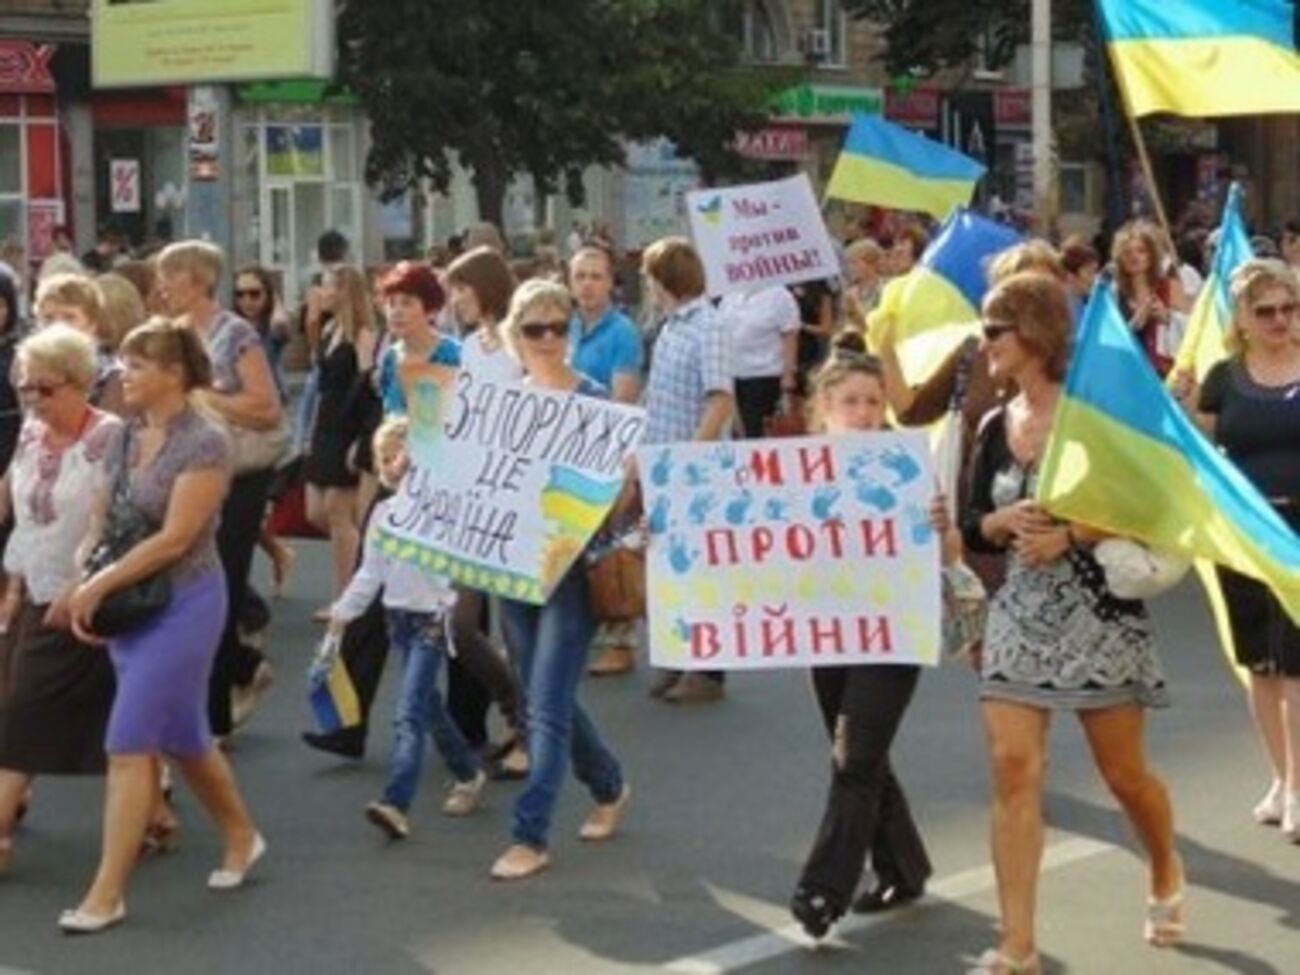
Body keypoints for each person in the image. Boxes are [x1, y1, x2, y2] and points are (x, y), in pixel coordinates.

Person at [960, 272, 1183, 973]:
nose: (985, 341)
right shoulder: (997, 424)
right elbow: (973, 526)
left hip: (1099, 612)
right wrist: (997, 520)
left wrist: (1074, 533)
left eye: (995, 328)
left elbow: (1152, 505)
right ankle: (1017, 944)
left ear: (1034, 332)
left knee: (1124, 775)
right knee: (1012, 766)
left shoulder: (1096, 419)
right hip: (1020, 611)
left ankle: (1165, 865)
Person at [63, 318, 264, 934]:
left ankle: (107, 893)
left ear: (175, 374)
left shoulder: (205, 442)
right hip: (130, 602)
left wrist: (100, 584)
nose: (124, 373)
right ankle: (242, 835)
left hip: (184, 603)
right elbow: (105, 513)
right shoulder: (125, 436)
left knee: (128, 744)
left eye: (138, 364)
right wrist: (85, 565)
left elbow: (178, 538)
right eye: (123, 362)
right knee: (183, 737)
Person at [787, 351, 934, 939]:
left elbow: (945, 553)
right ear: (824, 407)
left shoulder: (908, 468)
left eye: (874, 401)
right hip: (826, 630)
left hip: (892, 630)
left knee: (855, 756)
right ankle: (904, 865)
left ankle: (823, 890)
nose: (866, 412)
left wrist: (939, 524)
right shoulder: (795, 470)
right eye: (851, 401)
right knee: (861, 754)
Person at [489, 279, 629, 880]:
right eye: (533, 329)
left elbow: (624, 488)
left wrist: (590, 510)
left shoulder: (594, 400)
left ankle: (531, 834)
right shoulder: (501, 403)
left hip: (571, 572)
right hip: (512, 569)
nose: (546, 339)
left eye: (556, 326)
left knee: (544, 705)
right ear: (514, 338)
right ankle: (609, 783)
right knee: (550, 697)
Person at [301, 261, 457, 760]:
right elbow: (383, 420)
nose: (397, 311)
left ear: (430, 308)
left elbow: (456, 425)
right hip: (396, 486)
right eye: (391, 302)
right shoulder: (390, 359)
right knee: (370, 606)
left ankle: (471, 725)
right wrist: (374, 483)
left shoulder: (453, 355)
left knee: (454, 616)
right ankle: (348, 724)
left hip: (443, 493)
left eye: (408, 303)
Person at [1174, 259, 1300, 841]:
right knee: (1262, 666)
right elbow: (1197, 449)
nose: (1280, 320)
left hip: (1298, 533)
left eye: (1289, 308)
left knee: (1297, 666)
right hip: (1245, 533)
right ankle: (1280, 776)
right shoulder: (1225, 377)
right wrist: (1174, 408)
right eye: (1267, 311)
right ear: (1243, 320)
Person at [329, 417, 486, 840]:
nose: (395, 465)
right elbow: (370, 572)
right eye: (386, 459)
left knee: (408, 714)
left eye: (405, 457)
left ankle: (396, 801)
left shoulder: (444, 511)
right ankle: (468, 772)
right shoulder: (382, 513)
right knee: (428, 708)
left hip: (433, 619)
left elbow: (463, 559)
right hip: (397, 618)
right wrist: (344, 611)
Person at [0, 326, 120, 875]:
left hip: (85, 596)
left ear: (80, 384)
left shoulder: (108, 439)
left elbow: (112, 525)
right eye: (26, 389)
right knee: (100, 713)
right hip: (34, 587)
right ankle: (158, 811)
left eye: (44, 389)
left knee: (25, 711)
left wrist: (78, 586)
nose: (33, 401)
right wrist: (15, 583)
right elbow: (21, 509)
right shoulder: (30, 432)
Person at [157, 241, 284, 737]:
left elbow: (267, 407)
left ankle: (212, 717)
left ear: (197, 280)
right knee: (190, 590)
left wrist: (204, 398)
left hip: (240, 474)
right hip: (186, 473)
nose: (163, 287)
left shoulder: (236, 334)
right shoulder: (171, 334)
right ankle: (241, 672)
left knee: (222, 587)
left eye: (171, 277)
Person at [442, 246, 529, 766]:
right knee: (461, 624)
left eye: (462, 289)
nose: (456, 300)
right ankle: (515, 707)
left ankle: (525, 732)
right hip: (472, 498)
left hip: (514, 498)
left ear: (487, 288)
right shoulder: (470, 347)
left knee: (517, 629)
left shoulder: (520, 345)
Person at [640, 237, 735, 705]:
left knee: (700, 571)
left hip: (693, 469)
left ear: (667, 279)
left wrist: (692, 461)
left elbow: (719, 399)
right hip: (663, 463)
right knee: (670, 567)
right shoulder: (671, 326)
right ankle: (679, 653)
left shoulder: (708, 325)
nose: (646, 286)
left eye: (650, 277)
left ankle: (708, 670)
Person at [567, 244, 644, 678]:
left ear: (611, 282)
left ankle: (620, 641)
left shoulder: (622, 332)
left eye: (596, 276)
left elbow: (623, 397)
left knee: (610, 548)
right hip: (567, 446)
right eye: (580, 276)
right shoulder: (569, 327)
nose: (588, 285)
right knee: (576, 547)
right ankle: (579, 634)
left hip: (605, 445)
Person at [304, 266, 378, 606]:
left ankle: (347, 596)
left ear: (344, 291)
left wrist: (361, 440)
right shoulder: (329, 328)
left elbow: (367, 385)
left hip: (348, 425)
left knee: (337, 509)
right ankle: (364, 570)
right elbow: (316, 381)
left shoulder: (362, 334)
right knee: (315, 511)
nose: (322, 291)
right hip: (325, 423)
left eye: (328, 286)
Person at [34, 274, 126, 415]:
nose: (58, 327)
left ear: (92, 323)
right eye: (48, 318)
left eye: (69, 317)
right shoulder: (32, 372)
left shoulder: (112, 375)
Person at [718, 284, 800, 439]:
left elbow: (790, 334)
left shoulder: (779, 295)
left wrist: (788, 377)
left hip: (765, 376)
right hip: (733, 376)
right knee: (735, 432)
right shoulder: (729, 295)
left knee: (756, 432)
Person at [1111, 220, 1189, 379]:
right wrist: (1134, 323)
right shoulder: (1113, 292)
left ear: (1151, 255)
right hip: (1126, 374)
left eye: (1141, 250)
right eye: (1127, 252)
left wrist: (1167, 317)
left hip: (1163, 376)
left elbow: (1191, 330)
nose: (1134, 257)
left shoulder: (1170, 287)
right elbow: (1109, 339)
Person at [842, 238, 886, 333]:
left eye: (855, 263)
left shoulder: (885, 289)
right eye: (850, 264)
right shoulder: (850, 291)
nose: (851, 268)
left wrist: (856, 302)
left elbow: (873, 325)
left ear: (869, 262)